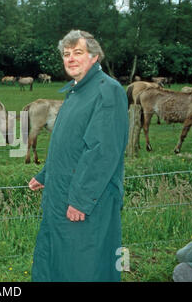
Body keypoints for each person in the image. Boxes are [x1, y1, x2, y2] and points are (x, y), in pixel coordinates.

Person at [28, 30, 129, 281]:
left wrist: (82, 200)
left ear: (94, 56)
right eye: (66, 54)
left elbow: (103, 151)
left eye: (78, 52)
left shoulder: (108, 91)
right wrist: (46, 174)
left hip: (88, 201)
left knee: (85, 263)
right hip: (61, 192)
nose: (70, 58)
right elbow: (67, 143)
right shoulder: (76, 91)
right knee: (58, 260)